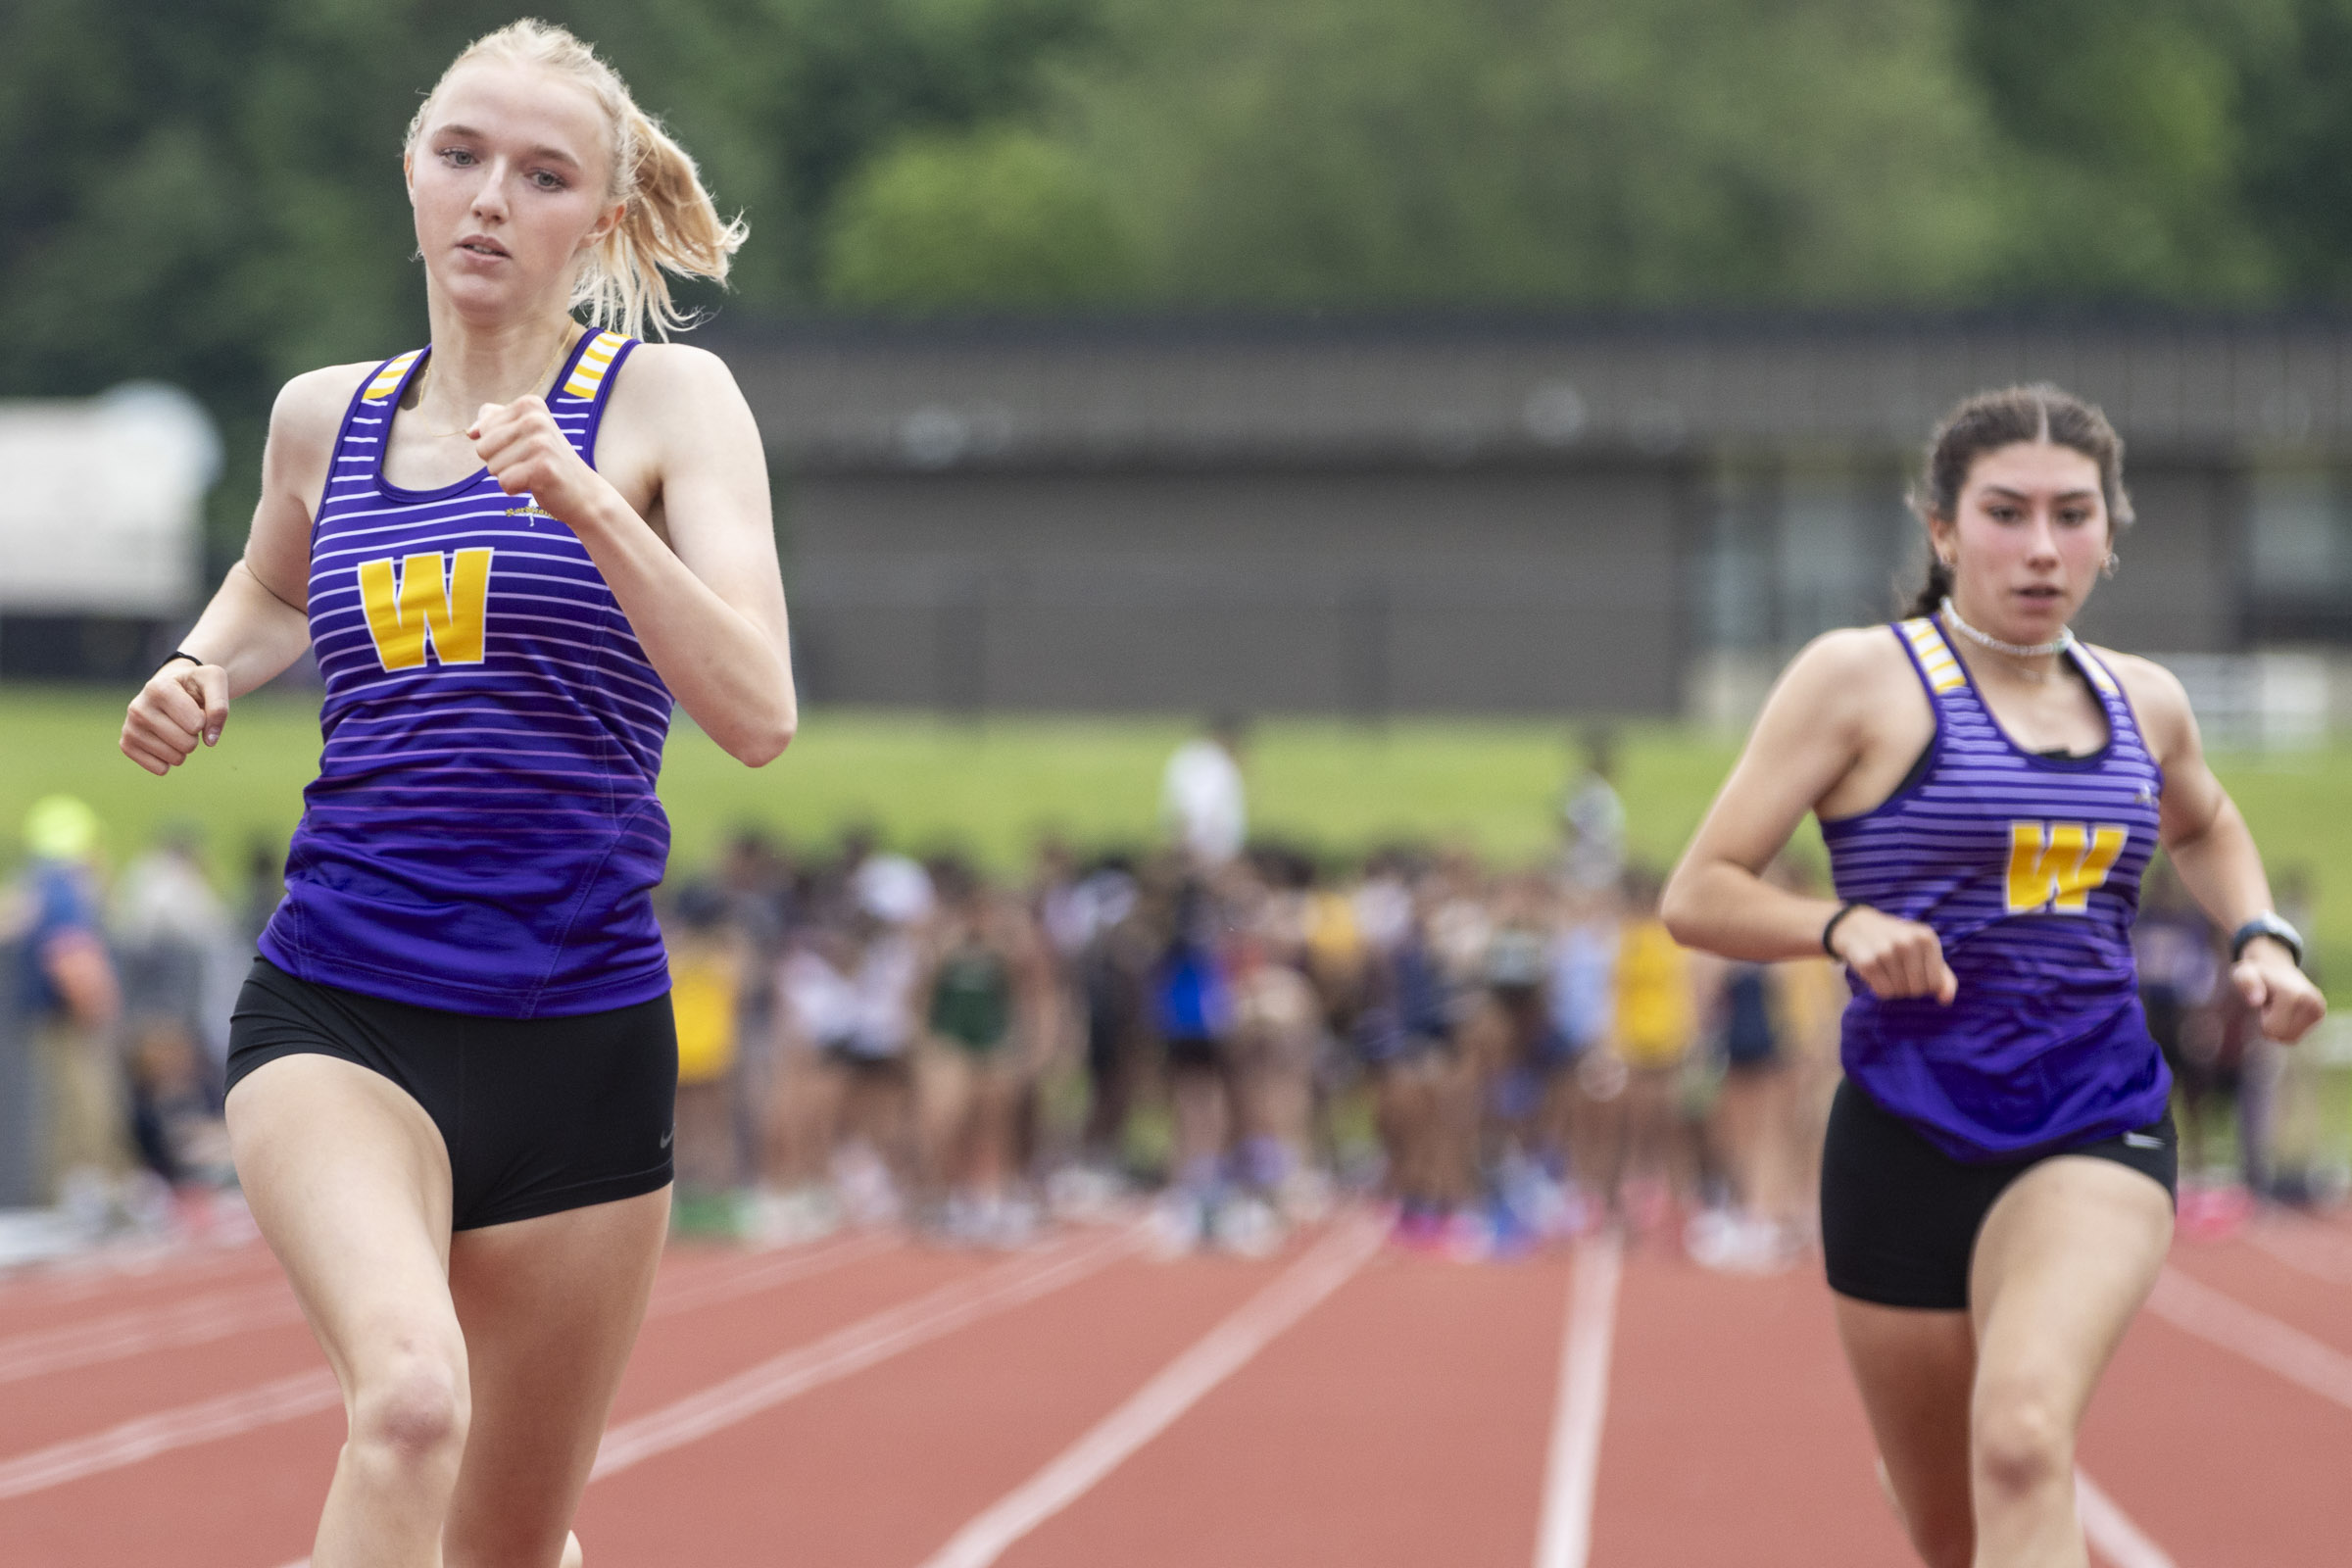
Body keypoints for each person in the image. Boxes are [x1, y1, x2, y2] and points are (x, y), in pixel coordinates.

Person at [115, 22, 792, 1568]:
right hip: (345, 1003)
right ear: (412, 179)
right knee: (412, 1405)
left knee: (505, 1545)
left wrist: (580, 498)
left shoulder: (670, 406)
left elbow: (758, 711)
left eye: (542, 174)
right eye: (460, 157)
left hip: (582, 1035)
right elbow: (272, 586)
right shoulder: (323, 418)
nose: (491, 198)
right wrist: (204, 669)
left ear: (599, 223)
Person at [1661, 384, 2326, 1568]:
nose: (2039, 546)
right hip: (1903, 1130)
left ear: (2109, 535)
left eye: (2071, 515)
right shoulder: (1860, 680)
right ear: (1942, 529)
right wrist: (1839, 923)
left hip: (2094, 1119)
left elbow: (2208, 824)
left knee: (2020, 1437)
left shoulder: (2146, 701)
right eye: (2006, 512)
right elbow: (1700, 890)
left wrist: (2261, 939)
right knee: (1956, 1531)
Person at [1161, 714, 1249, 870]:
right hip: (1210, 852)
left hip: (1192, 847)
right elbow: (1201, 807)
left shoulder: (1187, 754)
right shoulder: (1217, 763)